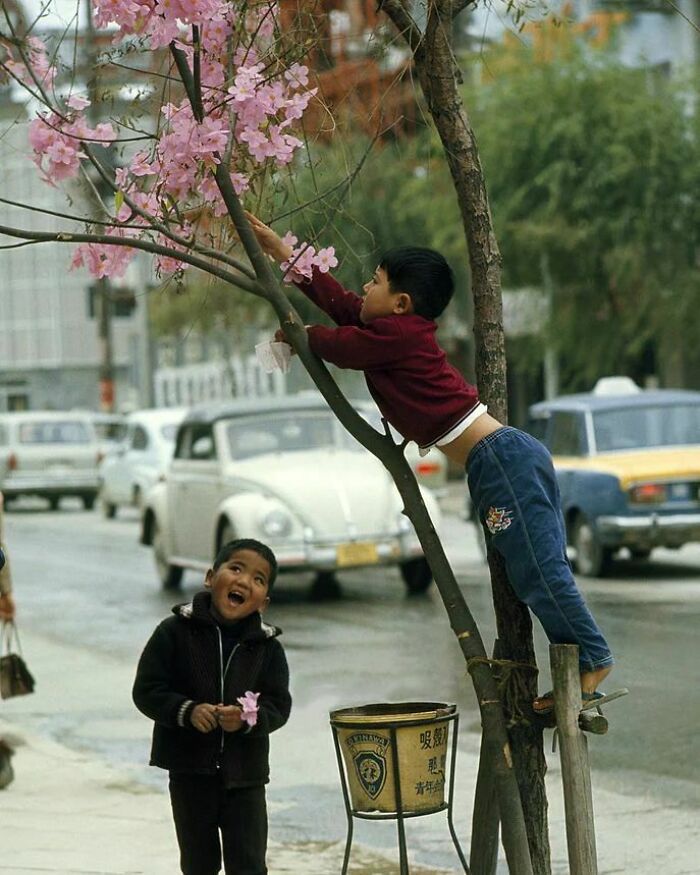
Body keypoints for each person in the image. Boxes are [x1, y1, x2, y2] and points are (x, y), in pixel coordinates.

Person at [246, 212, 614, 712]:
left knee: (538, 569)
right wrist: (282, 252)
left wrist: (296, 331)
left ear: (400, 303)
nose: (362, 288)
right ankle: (577, 667)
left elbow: (337, 343)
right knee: (527, 569)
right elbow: (343, 307)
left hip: (503, 460)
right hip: (495, 462)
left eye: (373, 282)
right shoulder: (394, 333)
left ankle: (593, 659)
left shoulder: (397, 338)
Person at [133, 538, 291, 875]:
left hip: (245, 778)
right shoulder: (174, 632)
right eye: (235, 568)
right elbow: (147, 690)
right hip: (190, 774)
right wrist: (187, 711)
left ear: (264, 602)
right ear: (209, 577)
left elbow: (279, 705)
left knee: (248, 864)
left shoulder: (267, 648)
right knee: (198, 863)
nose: (244, 581)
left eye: (258, 579)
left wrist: (247, 719)